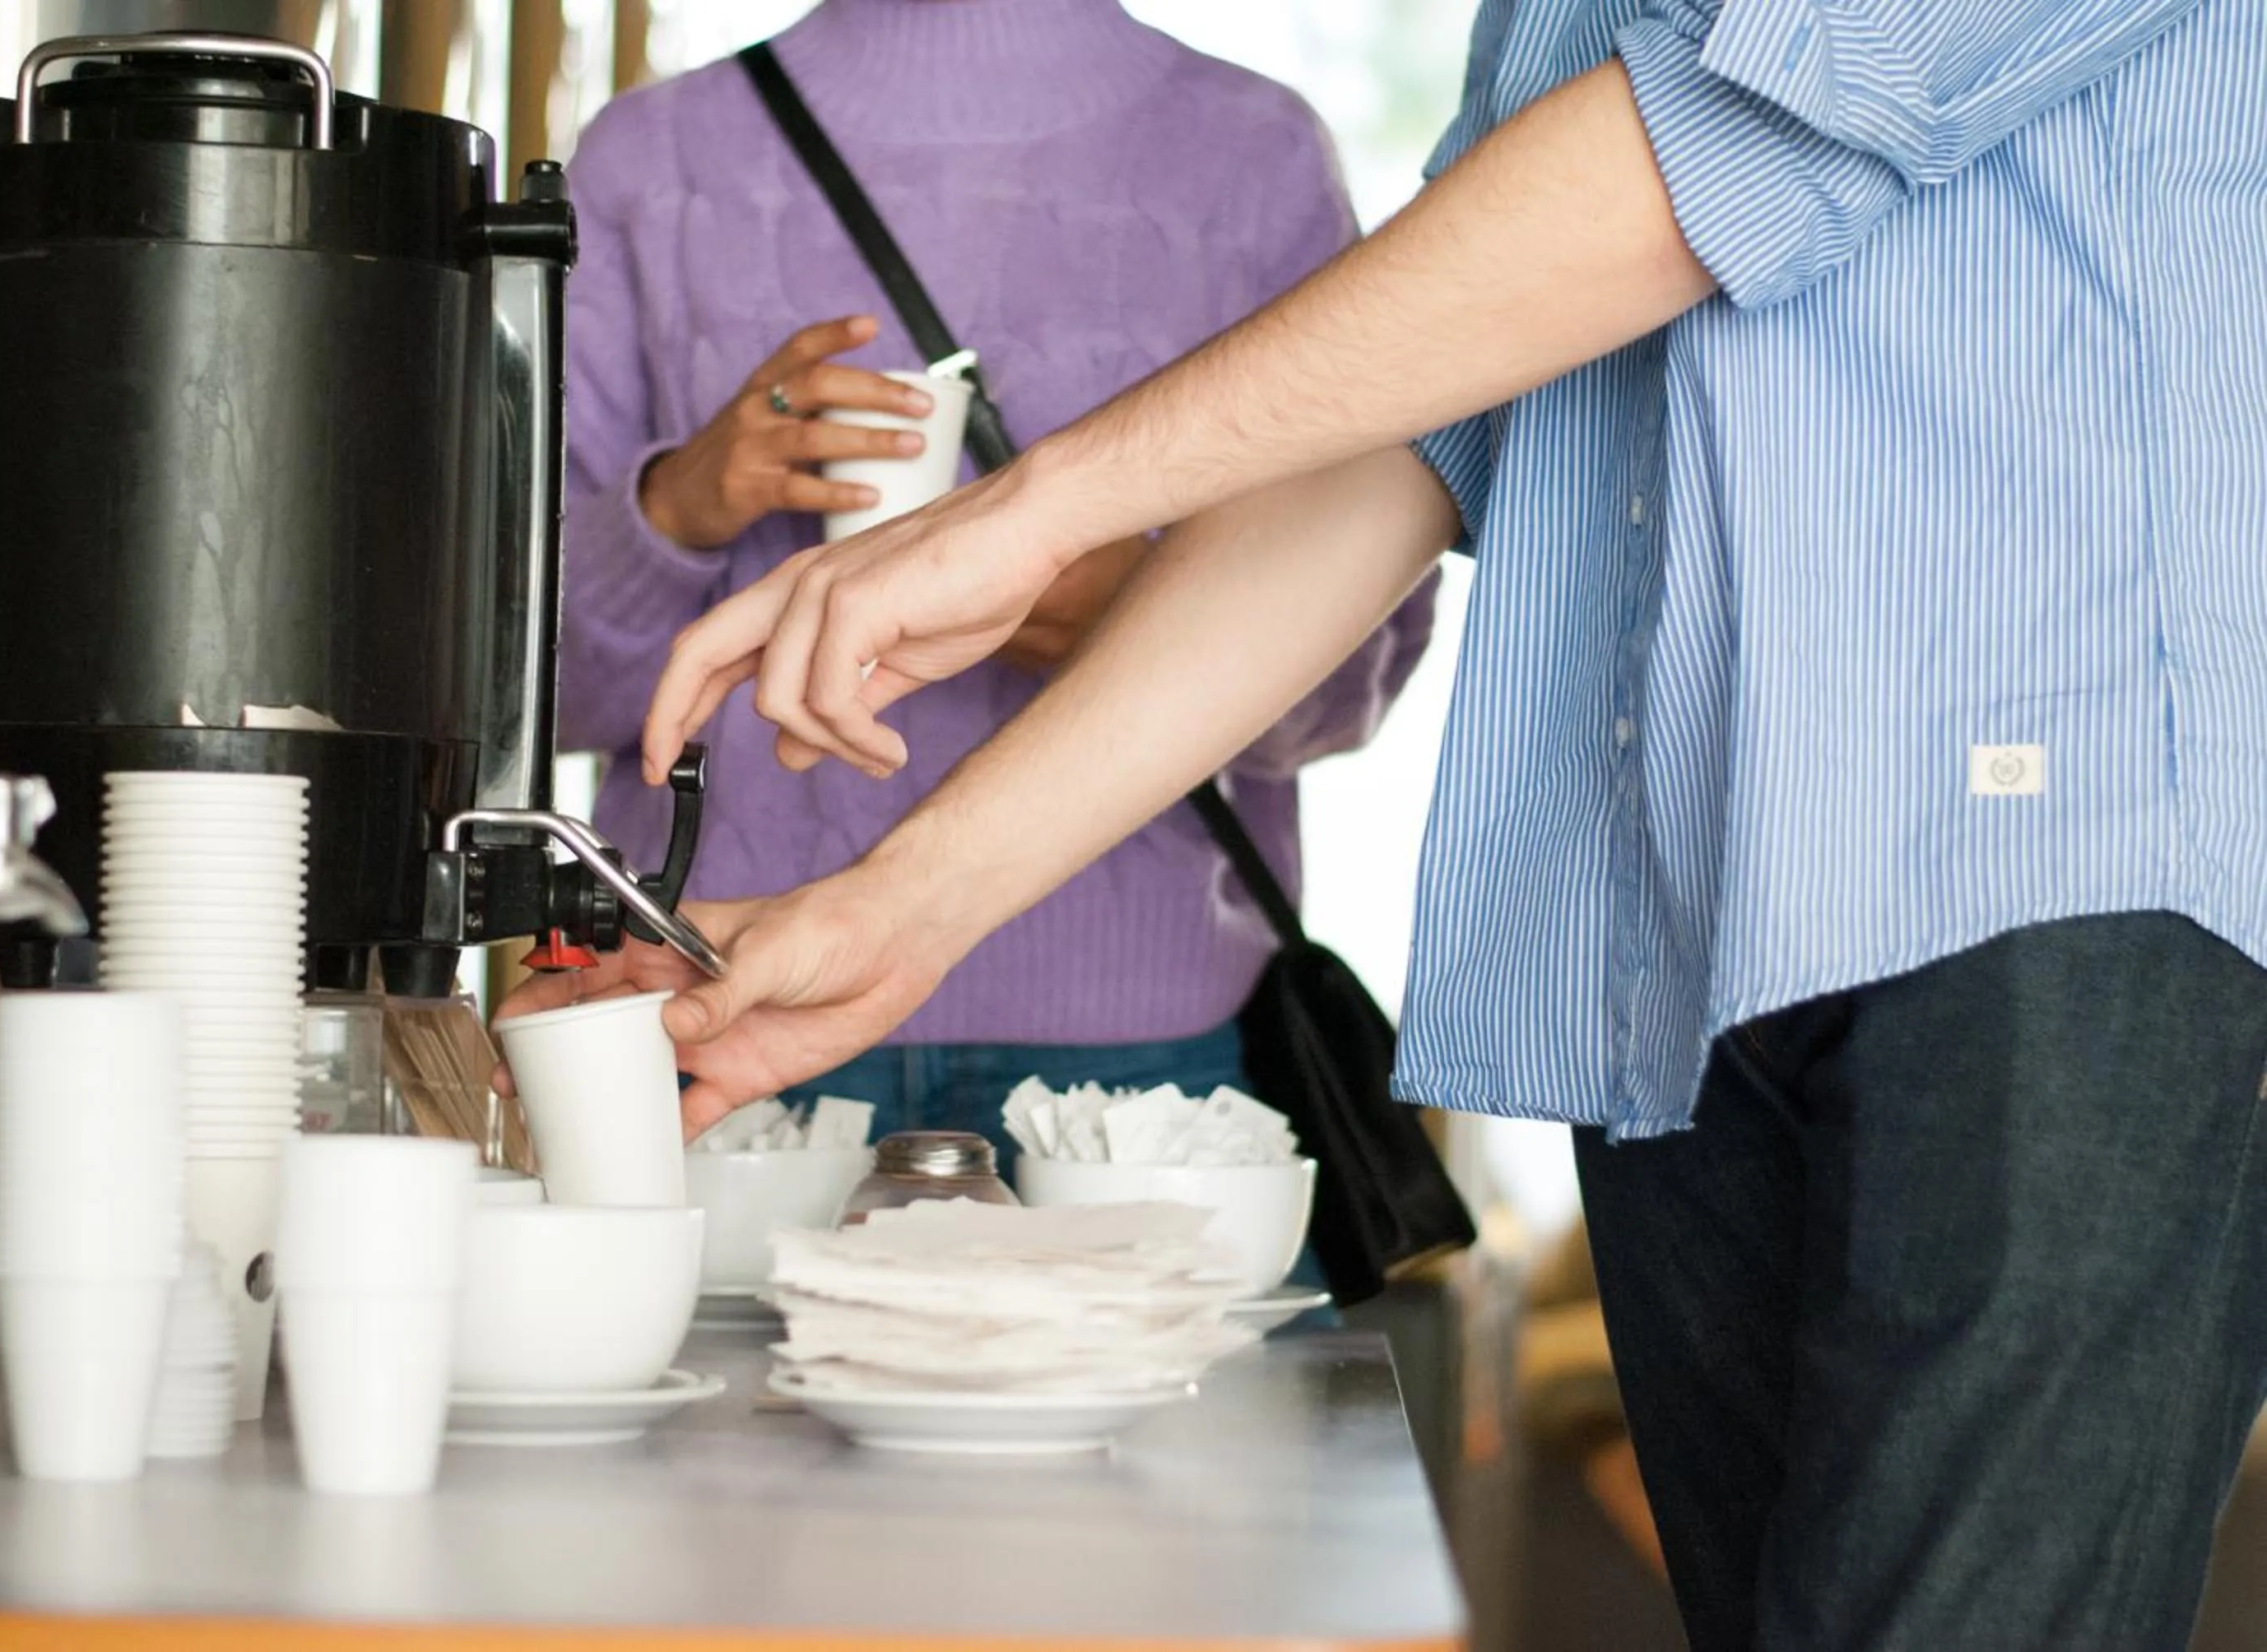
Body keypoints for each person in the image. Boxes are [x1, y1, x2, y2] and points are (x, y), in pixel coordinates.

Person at [506, 2, 2267, 1645]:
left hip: (2053, 878)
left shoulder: (1267, 140)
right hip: (1675, 925)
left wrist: (1035, 510)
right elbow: (1439, 410)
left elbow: (1706, 150)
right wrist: (908, 898)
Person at [553, 0, 1433, 1157]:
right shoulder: (648, 158)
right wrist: (676, 506)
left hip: (1146, 1058)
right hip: (719, 1006)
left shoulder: (1257, 153)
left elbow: (1358, 679)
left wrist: (1129, 617)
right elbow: (532, 699)